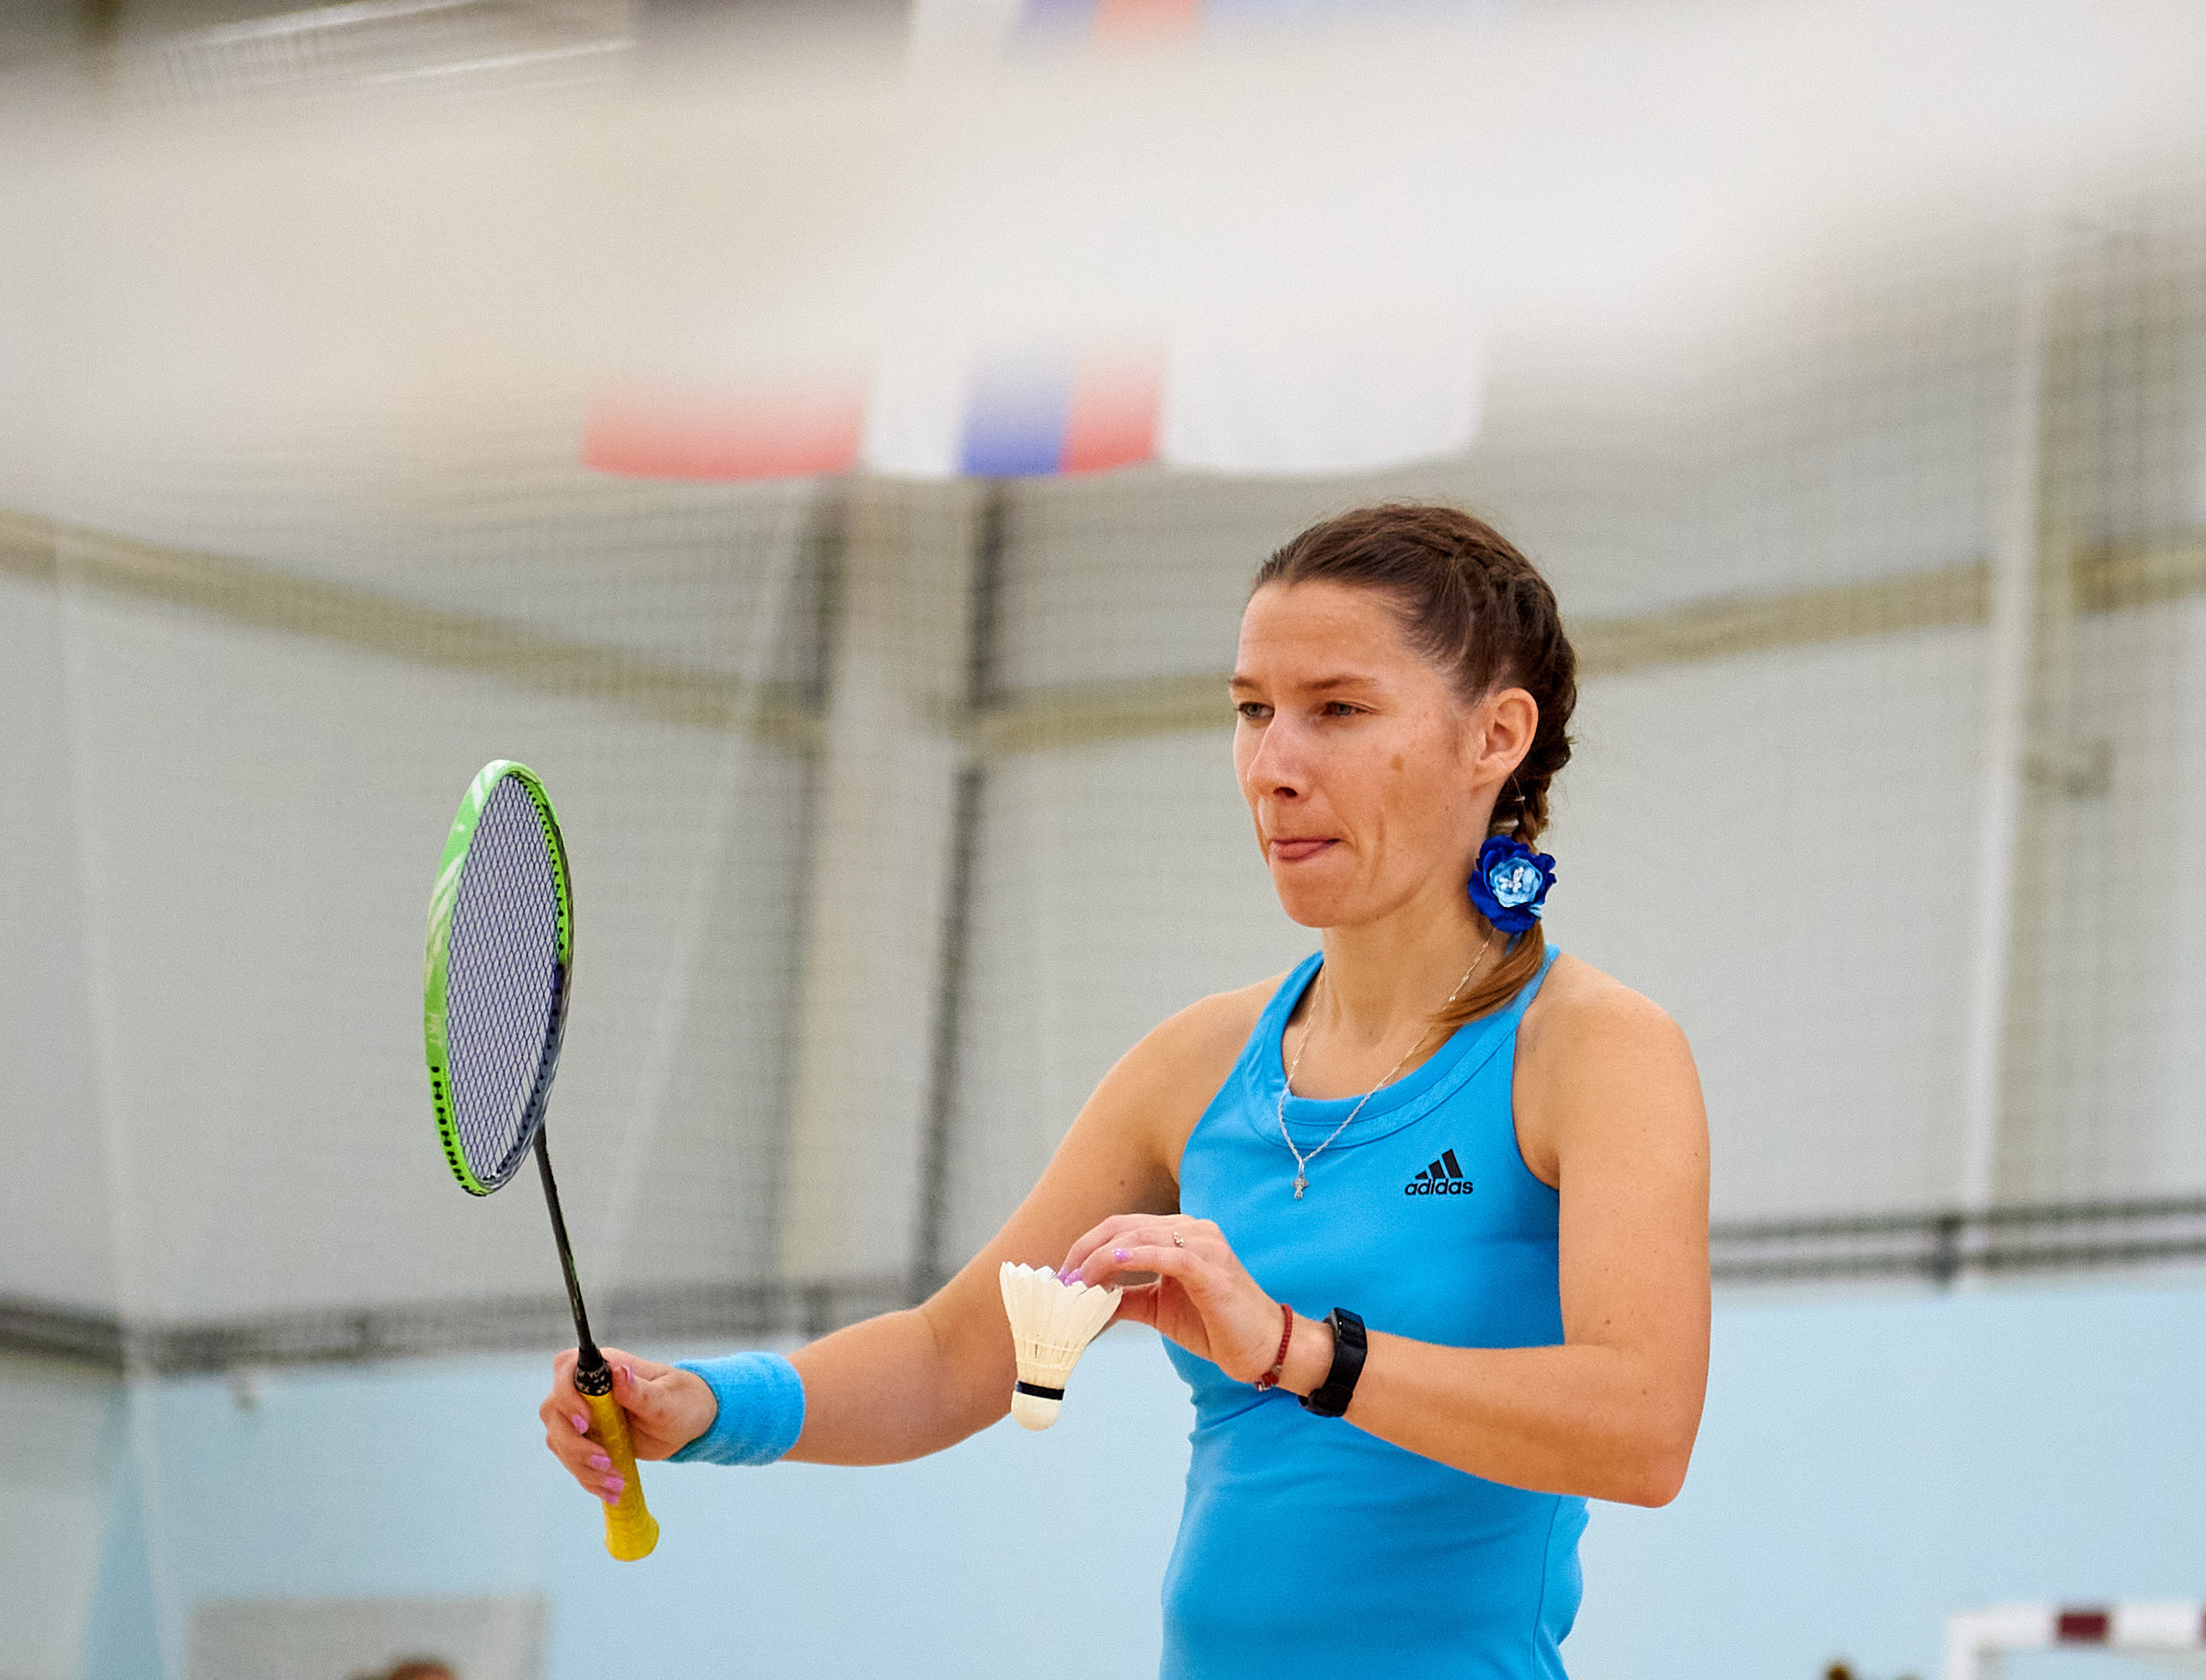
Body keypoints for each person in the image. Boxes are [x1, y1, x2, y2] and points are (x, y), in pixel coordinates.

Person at [539, 502, 1710, 1678]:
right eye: (1251, 709)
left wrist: (1300, 1350)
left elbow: (1645, 1426)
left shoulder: (1594, 1050)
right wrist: (703, 1406)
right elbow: (957, 1354)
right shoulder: (1194, 1063)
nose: (1274, 766)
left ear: (1495, 734)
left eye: (1337, 710)